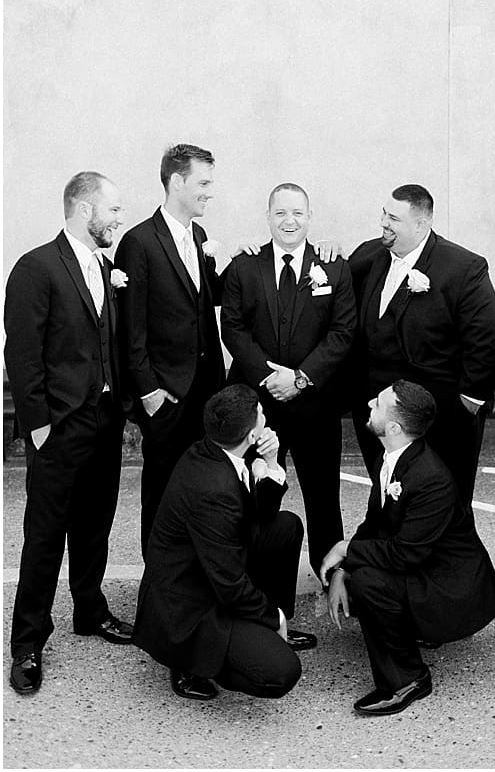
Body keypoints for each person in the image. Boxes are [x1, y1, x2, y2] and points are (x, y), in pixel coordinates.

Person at [5, 172, 134, 694]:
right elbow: (22, 354)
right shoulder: (36, 267)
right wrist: (37, 427)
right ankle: (27, 642)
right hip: (58, 427)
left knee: (95, 522)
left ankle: (89, 609)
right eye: (113, 209)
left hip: (104, 420)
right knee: (44, 535)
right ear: (84, 210)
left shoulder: (105, 267)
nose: (119, 218)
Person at [320, 380, 495, 717]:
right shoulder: (390, 457)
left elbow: (405, 553)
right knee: (360, 574)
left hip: (450, 586)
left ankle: (408, 679)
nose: (369, 403)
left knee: (369, 583)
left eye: (378, 403)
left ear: (394, 427)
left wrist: (346, 549)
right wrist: (342, 570)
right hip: (422, 561)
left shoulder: (430, 478)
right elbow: (375, 525)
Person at [133, 385, 316, 701]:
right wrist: (274, 617)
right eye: (261, 414)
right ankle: (188, 661)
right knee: (281, 671)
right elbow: (229, 584)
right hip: (188, 603)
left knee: (286, 527)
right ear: (250, 434)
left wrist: (271, 462)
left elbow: (262, 516)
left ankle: (264, 625)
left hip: (212, 564)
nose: (265, 416)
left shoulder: (215, 448)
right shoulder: (214, 490)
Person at [220, 183, 356, 578]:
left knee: (323, 494)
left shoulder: (334, 266)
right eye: (280, 213)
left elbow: (342, 332)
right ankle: (252, 574)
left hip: (316, 404)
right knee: (257, 491)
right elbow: (233, 328)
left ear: (309, 217)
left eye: (297, 213)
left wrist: (299, 378)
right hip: (259, 407)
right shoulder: (245, 266)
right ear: (268, 217)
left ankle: (331, 572)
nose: (289, 221)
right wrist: (269, 377)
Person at [345, 184, 495, 507]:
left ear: (422, 224)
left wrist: (469, 401)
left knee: (444, 503)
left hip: (438, 417)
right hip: (377, 413)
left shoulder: (463, 267)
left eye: (394, 218)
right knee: (386, 499)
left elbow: (489, 337)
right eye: (384, 214)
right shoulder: (368, 255)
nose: (383, 223)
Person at [115, 143, 226, 553]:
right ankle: (158, 577)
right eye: (203, 183)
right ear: (177, 181)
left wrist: (246, 259)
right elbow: (132, 328)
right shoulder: (139, 242)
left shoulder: (199, 236)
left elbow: (205, 298)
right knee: (162, 490)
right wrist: (149, 393)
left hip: (205, 390)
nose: (210, 192)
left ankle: (195, 572)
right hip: (166, 394)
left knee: (202, 488)